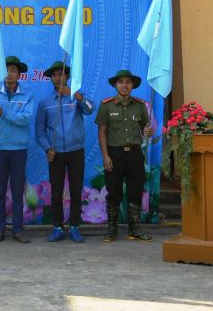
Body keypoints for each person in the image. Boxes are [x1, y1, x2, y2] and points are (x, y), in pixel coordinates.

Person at [35, 61, 95, 243]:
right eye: (54, 75)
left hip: (76, 151)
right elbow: (39, 132)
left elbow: (91, 108)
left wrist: (75, 95)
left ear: (67, 76)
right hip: (56, 153)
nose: (57, 78)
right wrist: (48, 148)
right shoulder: (45, 103)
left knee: (76, 190)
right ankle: (58, 227)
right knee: (56, 191)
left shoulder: (77, 96)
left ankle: (75, 227)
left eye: (60, 74)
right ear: (51, 79)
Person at [0, 56, 35, 243]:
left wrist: (3, 112)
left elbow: (25, 119)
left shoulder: (27, 95)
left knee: (18, 192)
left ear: (19, 74)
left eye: (13, 70)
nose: (9, 74)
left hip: (19, 150)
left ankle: (18, 230)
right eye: (6, 70)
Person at [95, 70, 154, 242]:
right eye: (120, 82)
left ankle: (135, 229)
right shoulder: (106, 105)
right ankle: (112, 230)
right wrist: (105, 156)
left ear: (132, 85)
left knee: (135, 191)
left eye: (128, 82)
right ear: (115, 85)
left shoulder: (140, 105)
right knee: (113, 191)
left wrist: (148, 131)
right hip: (114, 153)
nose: (124, 85)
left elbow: (145, 129)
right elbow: (102, 131)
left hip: (135, 154)